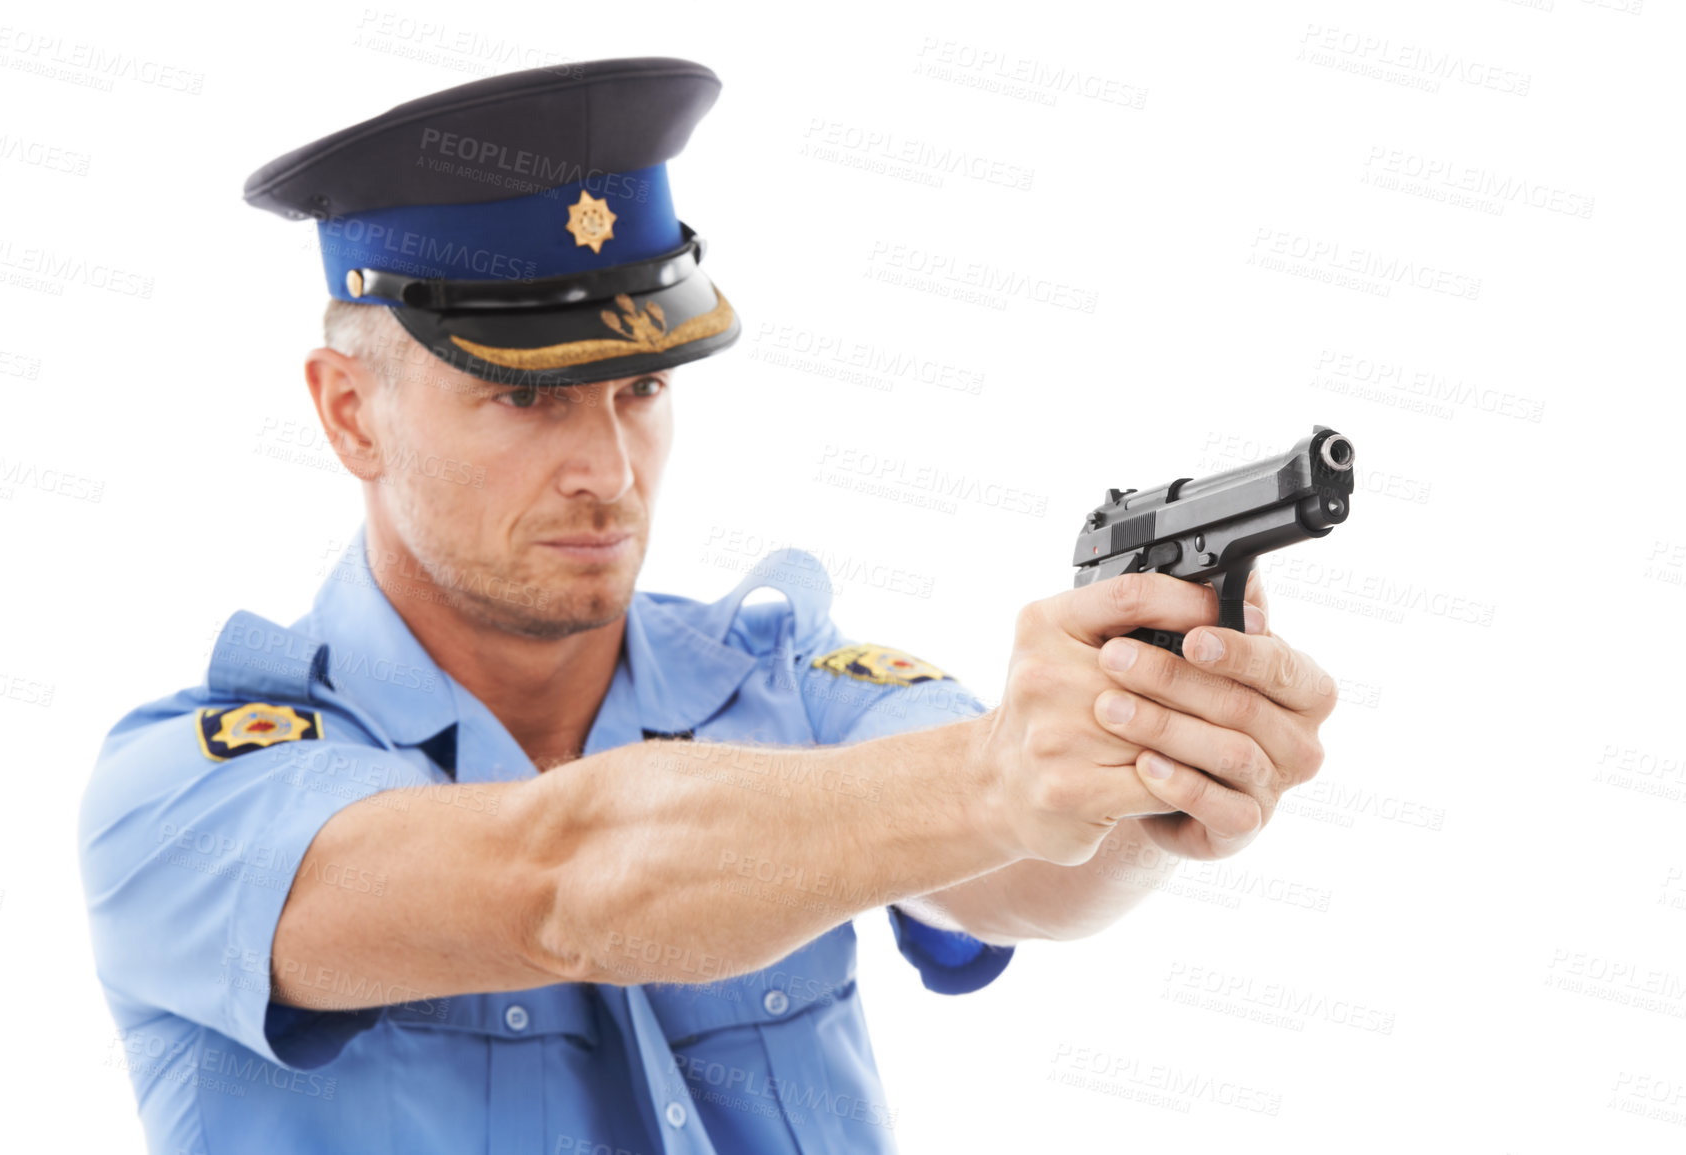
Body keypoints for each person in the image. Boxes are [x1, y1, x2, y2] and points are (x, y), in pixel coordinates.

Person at [78, 56, 1340, 1155]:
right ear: (351, 410)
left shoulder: (786, 687)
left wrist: (1155, 775)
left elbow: (1015, 880)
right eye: (527, 400)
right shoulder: (191, 797)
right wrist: (998, 774)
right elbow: (563, 879)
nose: (610, 473)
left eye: (641, 391)